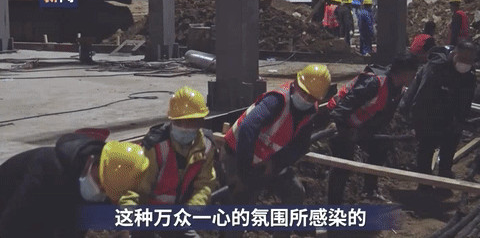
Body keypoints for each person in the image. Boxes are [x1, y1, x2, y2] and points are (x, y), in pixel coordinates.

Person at [0, 130, 149, 238]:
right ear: (93, 162)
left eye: (105, 191)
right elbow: (11, 226)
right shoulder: (45, 171)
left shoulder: (107, 180)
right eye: (98, 182)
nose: (98, 191)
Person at [221, 64, 331, 207]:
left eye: (311, 97)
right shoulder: (276, 101)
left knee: (294, 192)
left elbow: (300, 145)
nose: (305, 99)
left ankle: (282, 228)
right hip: (237, 155)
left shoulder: (309, 113)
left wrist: (275, 163)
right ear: (296, 83)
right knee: (240, 202)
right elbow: (248, 129)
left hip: (266, 160)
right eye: (303, 92)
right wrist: (245, 174)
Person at [118, 86, 216, 238]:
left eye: (190, 122)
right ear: (171, 121)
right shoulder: (155, 146)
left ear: (200, 122)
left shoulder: (206, 146)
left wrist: (193, 209)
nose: (184, 128)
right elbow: (135, 189)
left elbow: (205, 183)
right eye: (180, 122)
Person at [327, 54, 419, 204]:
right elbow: (341, 108)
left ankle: (370, 190)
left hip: (362, 126)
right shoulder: (374, 83)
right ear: (405, 73)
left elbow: (384, 115)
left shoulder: (397, 89)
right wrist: (344, 130)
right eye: (413, 74)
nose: (414, 78)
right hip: (340, 124)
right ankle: (333, 205)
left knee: (380, 147)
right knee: (343, 164)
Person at [401, 41, 477, 189]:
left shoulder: (470, 74)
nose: (465, 64)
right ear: (455, 54)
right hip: (428, 111)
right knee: (427, 146)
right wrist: (416, 123)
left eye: (469, 61)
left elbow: (466, 100)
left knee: (449, 146)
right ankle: (424, 184)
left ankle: (444, 179)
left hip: (449, 114)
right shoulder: (436, 68)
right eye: (462, 59)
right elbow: (421, 97)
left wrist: (460, 121)